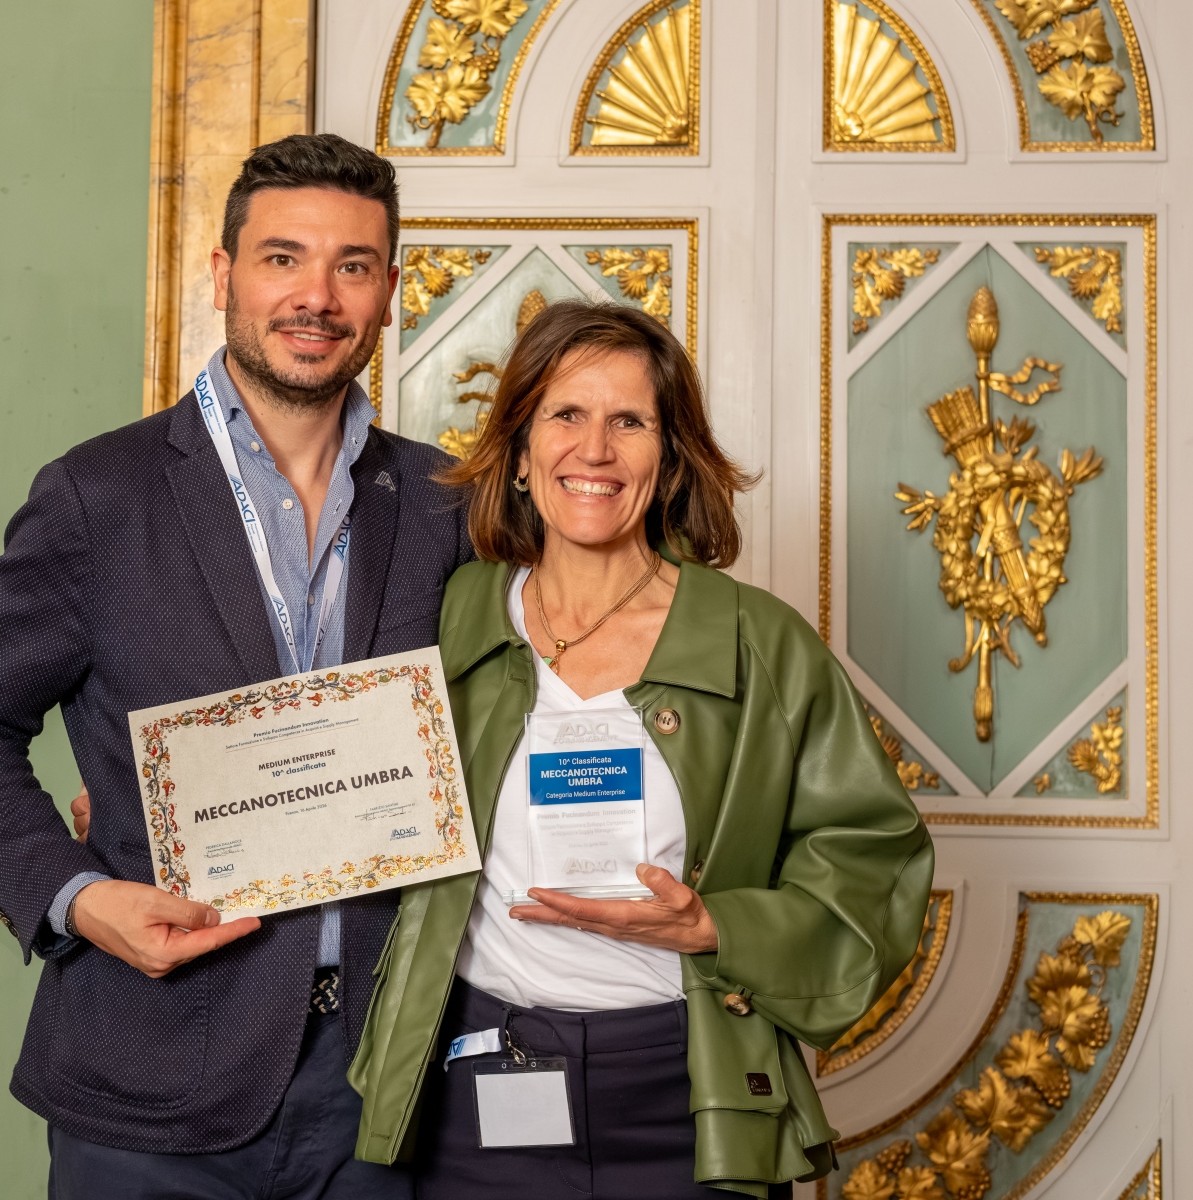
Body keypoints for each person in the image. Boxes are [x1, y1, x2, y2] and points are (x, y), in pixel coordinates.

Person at [0, 133, 466, 1200]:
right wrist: (77, 898)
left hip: (383, 1085)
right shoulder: (98, 495)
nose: (317, 296)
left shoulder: (448, 502)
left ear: (391, 290)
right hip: (149, 1075)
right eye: (282, 258)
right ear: (221, 275)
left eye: (352, 266)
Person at [347, 300, 934, 1198]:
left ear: (670, 458)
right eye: (566, 415)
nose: (595, 450)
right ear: (519, 450)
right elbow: (340, 765)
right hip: (481, 1081)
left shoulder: (758, 642)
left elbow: (875, 856)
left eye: (630, 421)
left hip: (691, 1091)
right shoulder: (452, 615)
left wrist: (717, 927)